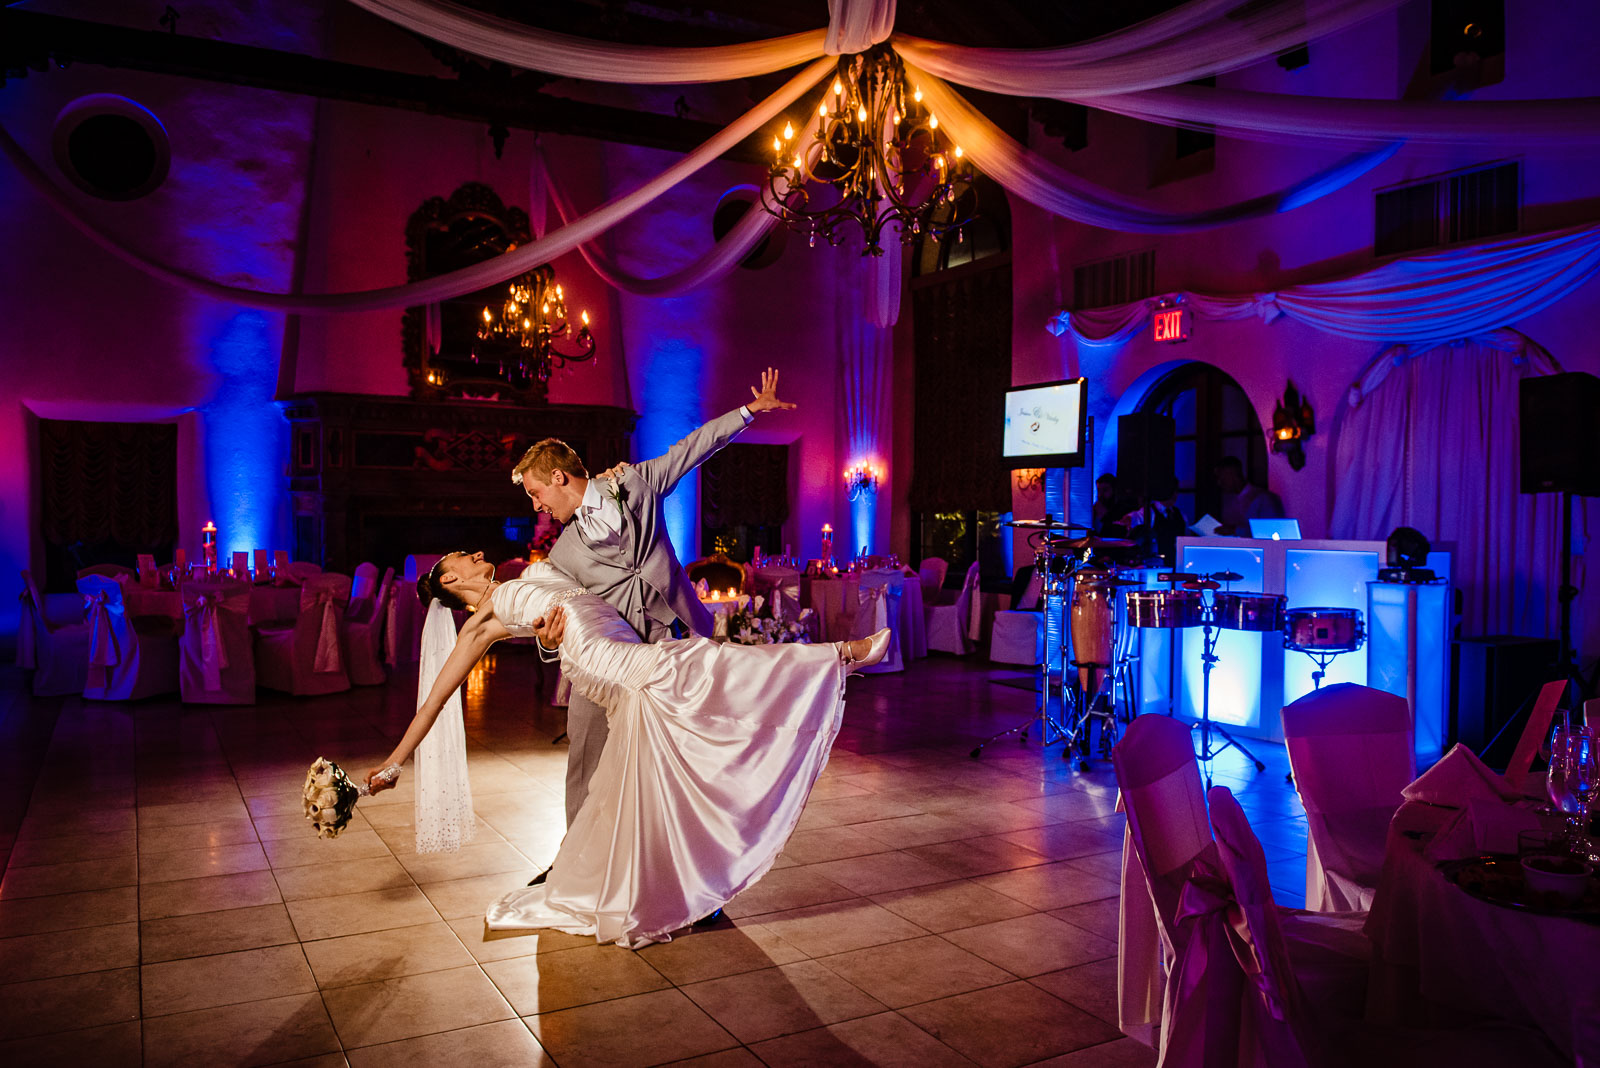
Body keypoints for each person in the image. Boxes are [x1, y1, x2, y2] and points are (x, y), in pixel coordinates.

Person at [364, 554, 889, 947]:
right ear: (451, 581)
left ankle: (675, 872)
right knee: (704, 665)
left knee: (698, 700)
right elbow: (434, 702)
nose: (474, 554)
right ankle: (839, 656)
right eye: (461, 557)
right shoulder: (480, 624)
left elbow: (572, 592)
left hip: (622, 642)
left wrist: (546, 639)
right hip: (605, 659)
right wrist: (393, 764)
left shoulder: (518, 575)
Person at [513, 368, 795, 836]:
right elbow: (552, 609)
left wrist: (750, 412)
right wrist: (546, 640)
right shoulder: (562, 552)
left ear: (559, 477)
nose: (536, 507)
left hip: (672, 636)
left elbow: (693, 448)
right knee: (584, 751)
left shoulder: (636, 484)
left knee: (681, 752)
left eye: (536, 494)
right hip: (607, 656)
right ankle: (575, 857)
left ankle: (685, 853)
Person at [1214, 456, 1283, 536]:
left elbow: (1271, 530)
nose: (1219, 483)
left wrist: (1236, 531)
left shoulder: (1263, 499)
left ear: (1232, 474)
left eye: (1222, 478)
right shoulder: (1229, 501)